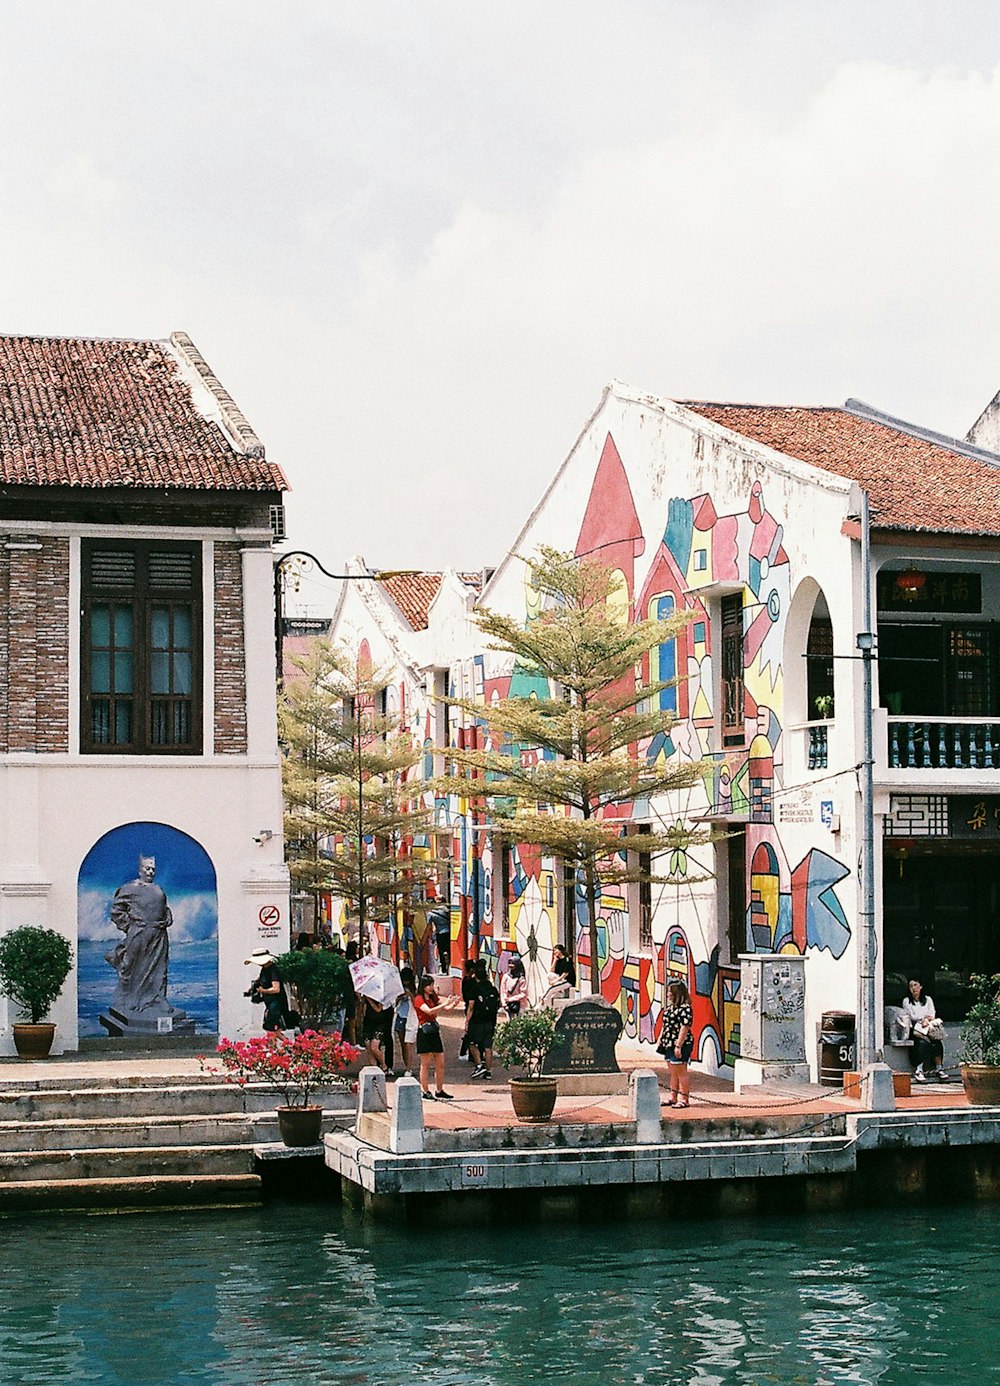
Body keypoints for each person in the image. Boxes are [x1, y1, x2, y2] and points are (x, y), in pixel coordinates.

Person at [106, 854, 180, 1017]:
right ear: (140, 870)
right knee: (134, 966)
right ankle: (133, 999)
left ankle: (158, 998)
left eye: (153, 869)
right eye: (147, 868)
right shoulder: (129, 888)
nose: (151, 872)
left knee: (159, 967)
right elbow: (116, 910)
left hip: (159, 934)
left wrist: (168, 917)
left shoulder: (158, 889)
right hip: (139, 933)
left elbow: (164, 908)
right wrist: (130, 926)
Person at [413, 975, 459, 1101]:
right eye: (429, 985)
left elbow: (446, 1008)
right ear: (423, 986)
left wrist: (453, 1003)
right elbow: (429, 1011)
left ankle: (439, 1089)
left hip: (434, 1031)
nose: (431, 988)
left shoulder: (433, 997)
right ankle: (425, 1090)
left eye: (432, 985)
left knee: (440, 1062)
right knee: (425, 1063)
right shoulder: (418, 999)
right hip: (424, 1031)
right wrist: (445, 1004)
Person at [659, 979, 694, 1108]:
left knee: (681, 1070)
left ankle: (684, 1098)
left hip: (680, 1042)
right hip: (668, 1041)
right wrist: (661, 1039)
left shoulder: (685, 1009)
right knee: (673, 1071)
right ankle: (673, 1097)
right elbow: (665, 1024)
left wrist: (679, 1045)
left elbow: (685, 1027)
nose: (668, 994)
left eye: (670, 992)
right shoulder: (670, 1008)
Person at [903, 978, 947, 1081]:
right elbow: (912, 1016)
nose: (914, 988)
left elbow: (932, 1013)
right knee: (922, 1044)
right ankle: (919, 1070)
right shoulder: (906, 1001)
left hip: (928, 1027)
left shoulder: (928, 999)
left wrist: (926, 1020)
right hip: (916, 1029)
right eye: (911, 986)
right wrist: (923, 1019)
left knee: (937, 1042)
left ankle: (939, 1068)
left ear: (921, 987)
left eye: (915, 985)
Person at [468, 959, 501, 1080]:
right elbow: (499, 1004)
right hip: (490, 1020)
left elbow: (471, 1007)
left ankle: (478, 1065)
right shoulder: (492, 988)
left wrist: (467, 1022)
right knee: (488, 1047)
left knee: (472, 1043)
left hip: (477, 1020)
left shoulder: (474, 989)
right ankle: (488, 1071)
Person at [245, 949, 289, 1032]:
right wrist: (251, 989)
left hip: (276, 1004)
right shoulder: (265, 969)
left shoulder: (273, 970)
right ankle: (281, 1044)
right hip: (270, 1004)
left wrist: (263, 991)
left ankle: (288, 1044)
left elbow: (276, 989)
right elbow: (259, 980)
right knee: (271, 1030)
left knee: (273, 1030)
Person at [395, 966, 419, 1076]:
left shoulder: (416, 989)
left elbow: (417, 1005)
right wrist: (399, 997)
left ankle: (409, 1068)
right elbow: (393, 1003)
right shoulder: (398, 987)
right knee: (403, 1044)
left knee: (409, 1043)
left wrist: (411, 995)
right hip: (400, 1016)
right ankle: (406, 1066)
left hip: (410, 1018)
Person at [429, 903, 452, 974]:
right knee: (449, 950)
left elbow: (429, 926)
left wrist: (431, 937)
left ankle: (444, 969)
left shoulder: (431, 913)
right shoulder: (445, 909)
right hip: (448, 932)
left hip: (440, 933)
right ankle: (450, 965)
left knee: (441, 952)